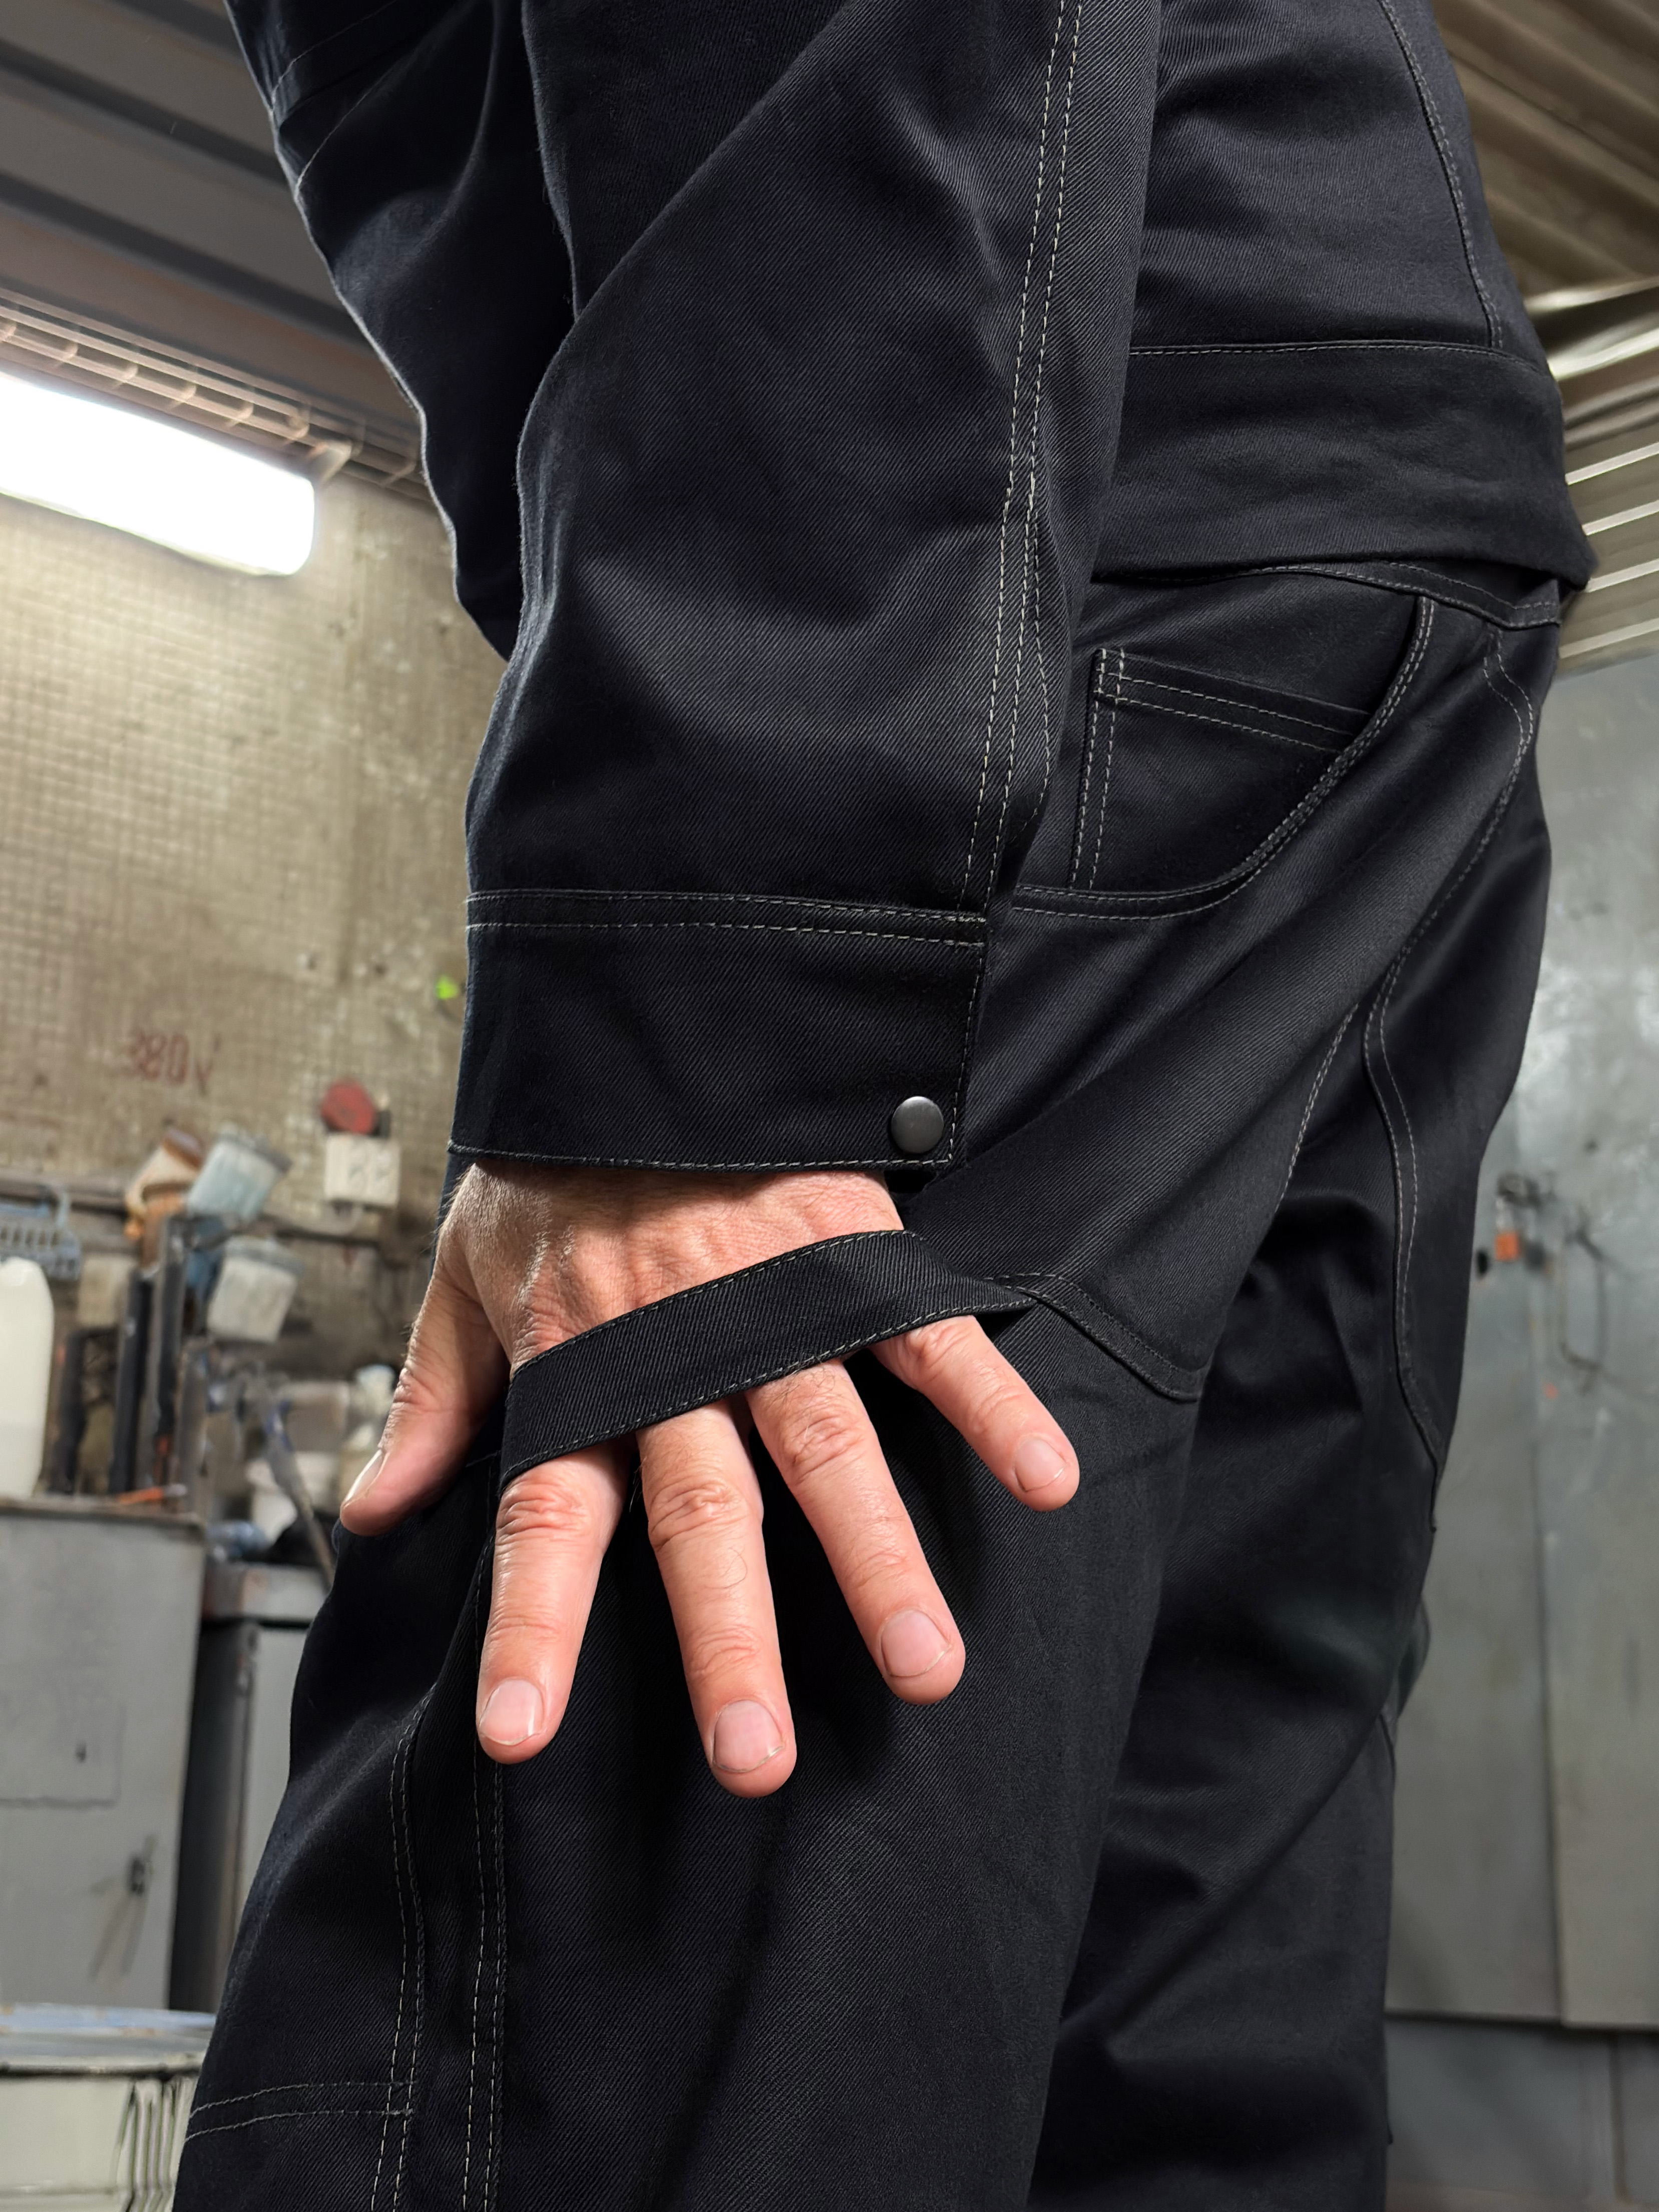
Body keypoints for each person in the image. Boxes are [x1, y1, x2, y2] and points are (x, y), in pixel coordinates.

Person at [177, 1, 1591, 2204]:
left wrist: (709, 1005)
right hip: (1298, 524)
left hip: (1033, 512)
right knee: (1155, 1978)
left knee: (603, 2006)